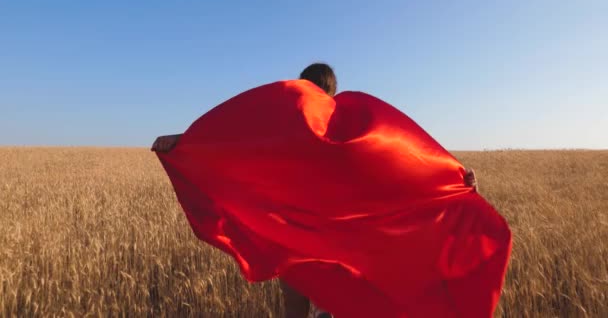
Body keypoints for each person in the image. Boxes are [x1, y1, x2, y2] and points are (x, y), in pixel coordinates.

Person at [152, 63, 478, 318]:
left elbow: (235, 135)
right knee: (333, 304)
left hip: (291, 236)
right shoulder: (349, 128)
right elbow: (401, 161)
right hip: (335, 240)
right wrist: (452, 177)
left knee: (293, 309)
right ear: (333, 92)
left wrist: (184, 142)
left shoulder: (283, 124)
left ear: (301, 86)